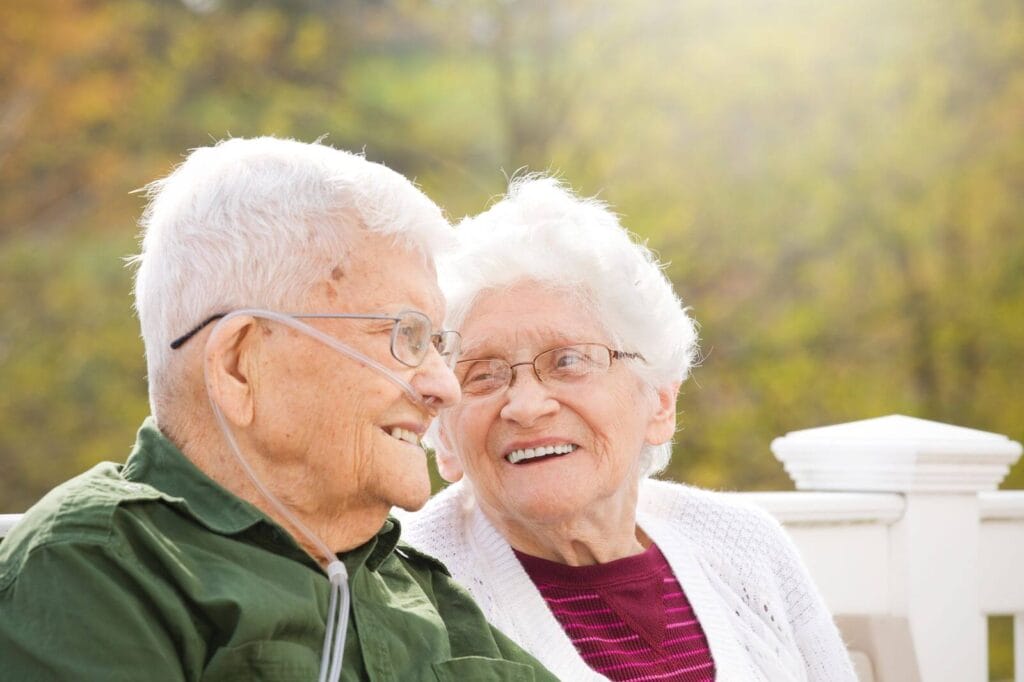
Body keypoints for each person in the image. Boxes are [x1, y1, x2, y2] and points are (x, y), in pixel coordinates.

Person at [0, 138, 558, 682]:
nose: (445, 386)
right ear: (241, 365)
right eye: (404, 335)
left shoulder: (435, 599)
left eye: (437, 343)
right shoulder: (99, 568)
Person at [401, 177, 858, 681]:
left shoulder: (747, 548)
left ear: (659, 402)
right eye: (483, 374)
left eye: (568, 361)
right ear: (445, 437)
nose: (526, 406)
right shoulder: (407, 593)